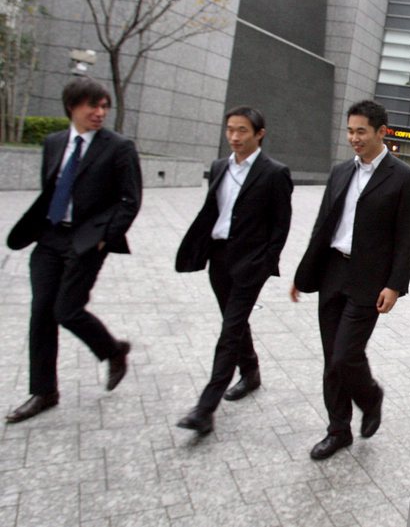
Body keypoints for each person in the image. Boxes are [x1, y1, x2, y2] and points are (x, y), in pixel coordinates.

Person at [5, 78, 141, 423]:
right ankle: (43, 391)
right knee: (41, 315)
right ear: (72, 107)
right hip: (49, 238)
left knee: (67, 310)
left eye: (104, 106)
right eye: (92, 106)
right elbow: (51, 188)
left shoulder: (119, 147)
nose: (99, 113)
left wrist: (104, 237)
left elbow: (130, 200)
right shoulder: (54, 143)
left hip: (86, 241)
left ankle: (112, 350)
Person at [291, 100, 410, 460]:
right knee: (331, 356)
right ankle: (338, 430)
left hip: (369, 280)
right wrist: (304, 275)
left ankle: (370, 397)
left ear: (382, 132)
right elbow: (322, 226)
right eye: (350, 131)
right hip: (333, 270)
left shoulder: (403, 178)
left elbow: (407, 238)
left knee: (344, 356)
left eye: (361, 131)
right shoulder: (340, 172)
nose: (354, 138)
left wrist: (395, 285)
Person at [174, 106, 292, 434]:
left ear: (259, 134)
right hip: (218, 258)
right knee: (233, 321)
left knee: (229, 331)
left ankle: (205, 409)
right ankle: (251, 373)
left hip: (250, 263)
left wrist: (265, 264)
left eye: (242, 131)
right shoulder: (218, 167)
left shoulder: (274, 173)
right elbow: (213, 211)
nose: (235, 137)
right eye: (230, 130)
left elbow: (281, 226)